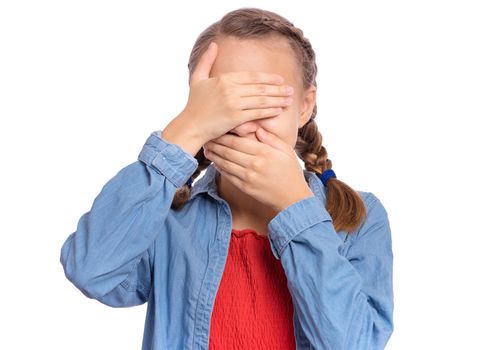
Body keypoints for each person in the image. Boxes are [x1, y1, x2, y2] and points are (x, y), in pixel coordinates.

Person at [59, 7, 394, 350]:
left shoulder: (359, 217)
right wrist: (185, 131)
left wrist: (296, 205)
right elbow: (90, 271)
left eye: (265, 102)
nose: (244, 126)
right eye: (227, 105)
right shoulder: (165, 217)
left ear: (305, 106)